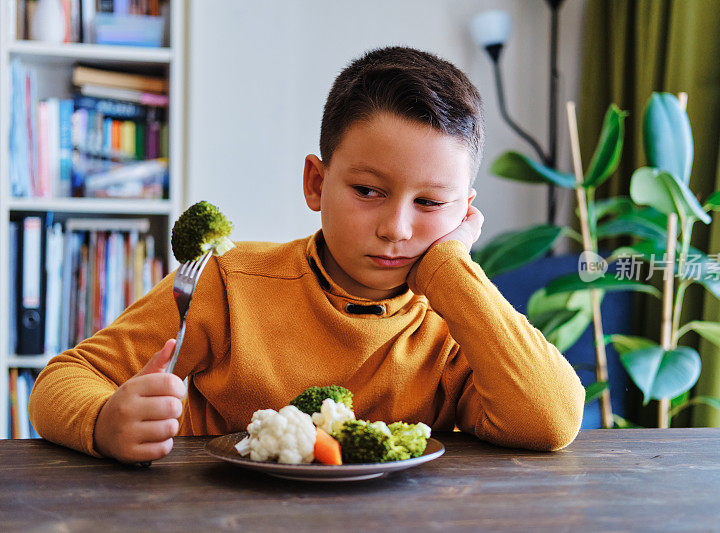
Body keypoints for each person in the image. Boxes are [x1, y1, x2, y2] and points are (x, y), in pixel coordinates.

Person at [29, 46, 585, 464]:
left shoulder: (456, 319)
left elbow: (553, 420)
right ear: (316, 183)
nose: (396, 228)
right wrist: (104, 421)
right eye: (368, 191)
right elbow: (63, 379)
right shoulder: (226, 282)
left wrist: (450, 269)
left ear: (466, 213)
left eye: (431, 203)